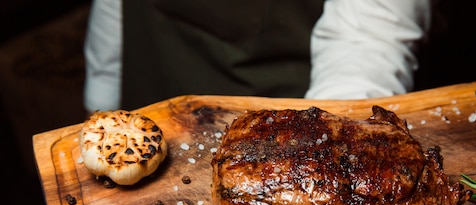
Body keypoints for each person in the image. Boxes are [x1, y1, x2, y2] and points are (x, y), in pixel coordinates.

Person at [84, 0, 434, 113]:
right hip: (146, 93)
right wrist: (101, 94)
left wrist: (327, 157)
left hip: (287, 116)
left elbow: (365, 36)